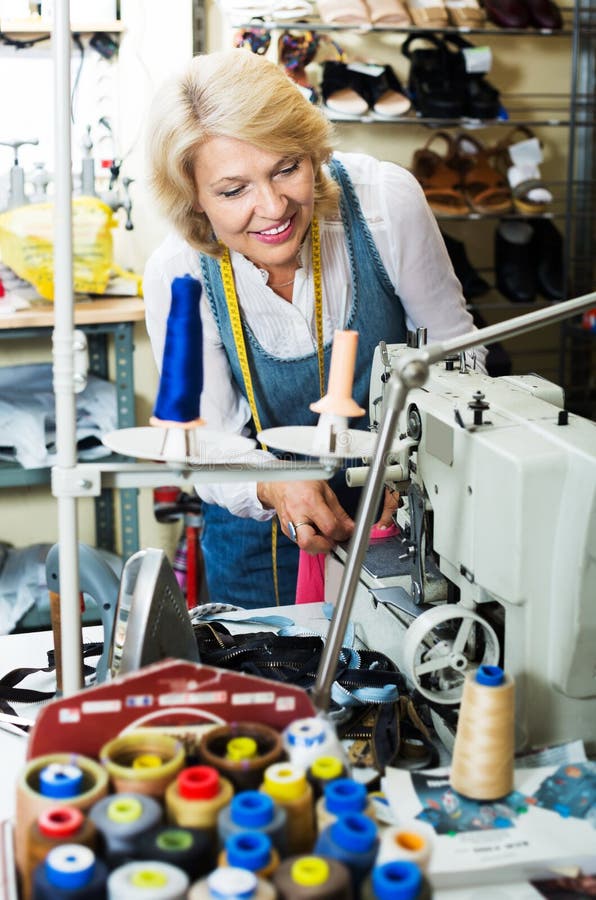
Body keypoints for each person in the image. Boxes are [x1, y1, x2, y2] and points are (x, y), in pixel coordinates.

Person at [143, 48, 486, 609]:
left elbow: (457, 358)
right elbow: (202, 440)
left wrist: (412, 466)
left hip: (402, 512)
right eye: (233, 191)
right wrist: (275, 484)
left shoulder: (383, 204)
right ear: (195, 199)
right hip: (258, 541)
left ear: (312, 151)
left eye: (286, 168)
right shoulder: (177, 274)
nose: (273, 207)